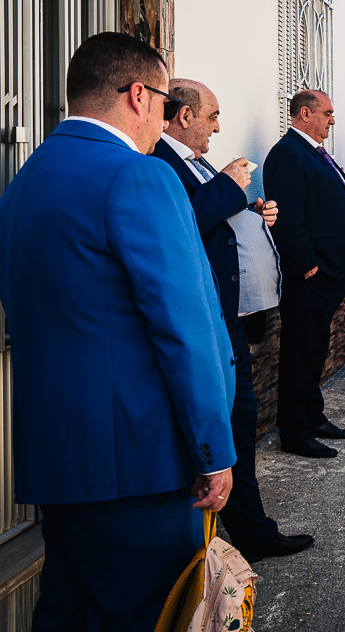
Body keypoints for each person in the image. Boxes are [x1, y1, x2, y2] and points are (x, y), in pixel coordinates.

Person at [0, 32, 235, 629]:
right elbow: (185, 329)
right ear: (138, 95)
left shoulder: (24, 182)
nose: (164, 119)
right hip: (140, 462)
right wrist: (213, 448)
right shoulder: (139, 176)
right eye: (164, 103)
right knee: (147, 614)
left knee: (67, 610)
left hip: (57, 459)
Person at [155, 78, 312, 563]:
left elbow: (217, 219)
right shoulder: (158, 162)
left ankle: (252, 531)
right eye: (212, 116)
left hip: (231, 318)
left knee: (240, 425)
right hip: (204, 322)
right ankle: (208, 545)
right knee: (221, 427)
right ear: (185, 116)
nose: (218, 127)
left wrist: (253, 211)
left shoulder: (195, 162)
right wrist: (227, 186)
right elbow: (181, 225)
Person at [263, 89, 345, 459]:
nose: (332, 120)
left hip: (330, 271)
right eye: (327, 112)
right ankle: (295, 431)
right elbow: (288, 217)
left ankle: (312, 416)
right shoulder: (288, 153)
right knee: (300, 352)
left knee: (315, 348)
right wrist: (308, 265)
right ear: (305, 113)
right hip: (311, 276)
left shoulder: (315, 152)